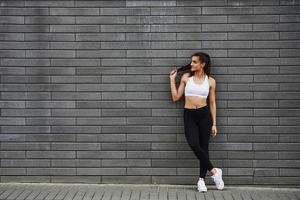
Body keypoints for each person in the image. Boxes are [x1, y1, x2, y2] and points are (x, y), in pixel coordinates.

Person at [169, 52, 224, 192]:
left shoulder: (211, 81)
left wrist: (214, 123)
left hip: (204, 116)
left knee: (204, 148)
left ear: (202, 64)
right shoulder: (186, 78)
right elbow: (176, 97)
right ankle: (214, 172)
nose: (191, 64)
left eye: (194, 62)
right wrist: (172, 80)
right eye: (191, 61)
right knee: (194, 143)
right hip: (189, 115)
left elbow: (212, 103)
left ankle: (201, 181)